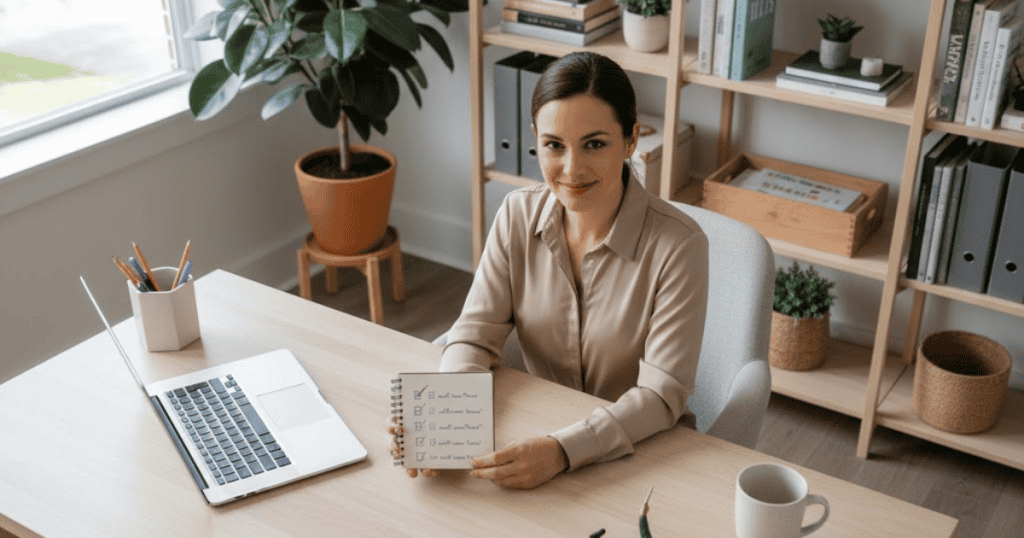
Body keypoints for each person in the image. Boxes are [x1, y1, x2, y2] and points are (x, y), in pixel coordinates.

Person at [390, 51, 709, 489]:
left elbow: (660, 395)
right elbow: (473, 333)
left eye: (595, 144)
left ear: (631, 140)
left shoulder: (680, 245)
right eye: (554, 145)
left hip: (644, 455)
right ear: (535, 139)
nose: (572, 169)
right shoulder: (516, 215)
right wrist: (444, 419)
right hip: (537, 438)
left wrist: (563, 450)